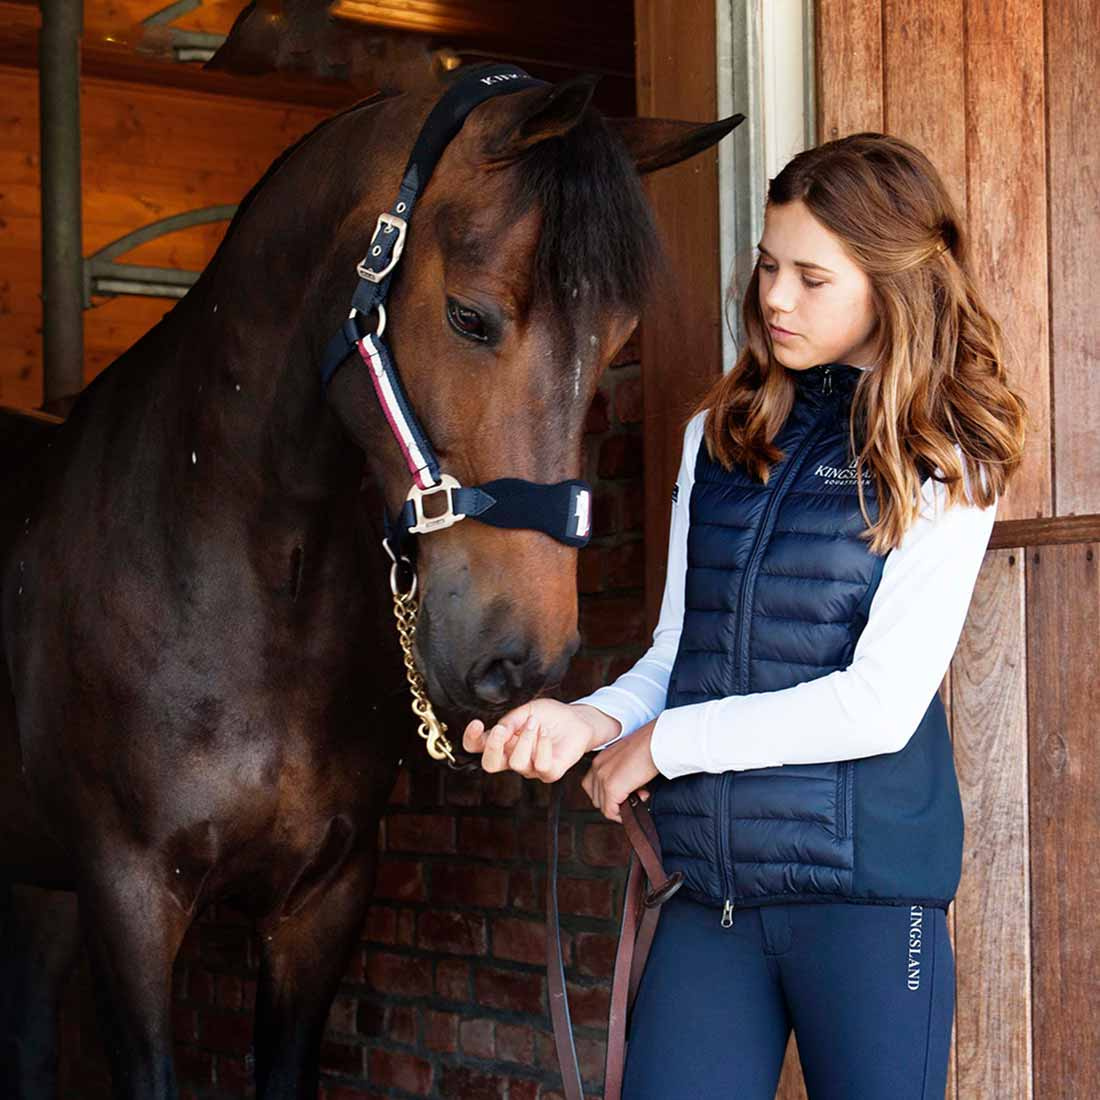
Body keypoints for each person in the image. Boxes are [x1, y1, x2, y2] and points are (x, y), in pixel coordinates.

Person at [461, 133, 1028, 1099]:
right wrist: (592, 720)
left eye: (813, 277)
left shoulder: (945, 459)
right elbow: (681, 652)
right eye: (770, 266)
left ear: (892, 285)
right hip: (714, 905)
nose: (775, 298)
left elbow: (879, 706)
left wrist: (669, 746)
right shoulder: (718, 436)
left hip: (866, 905)